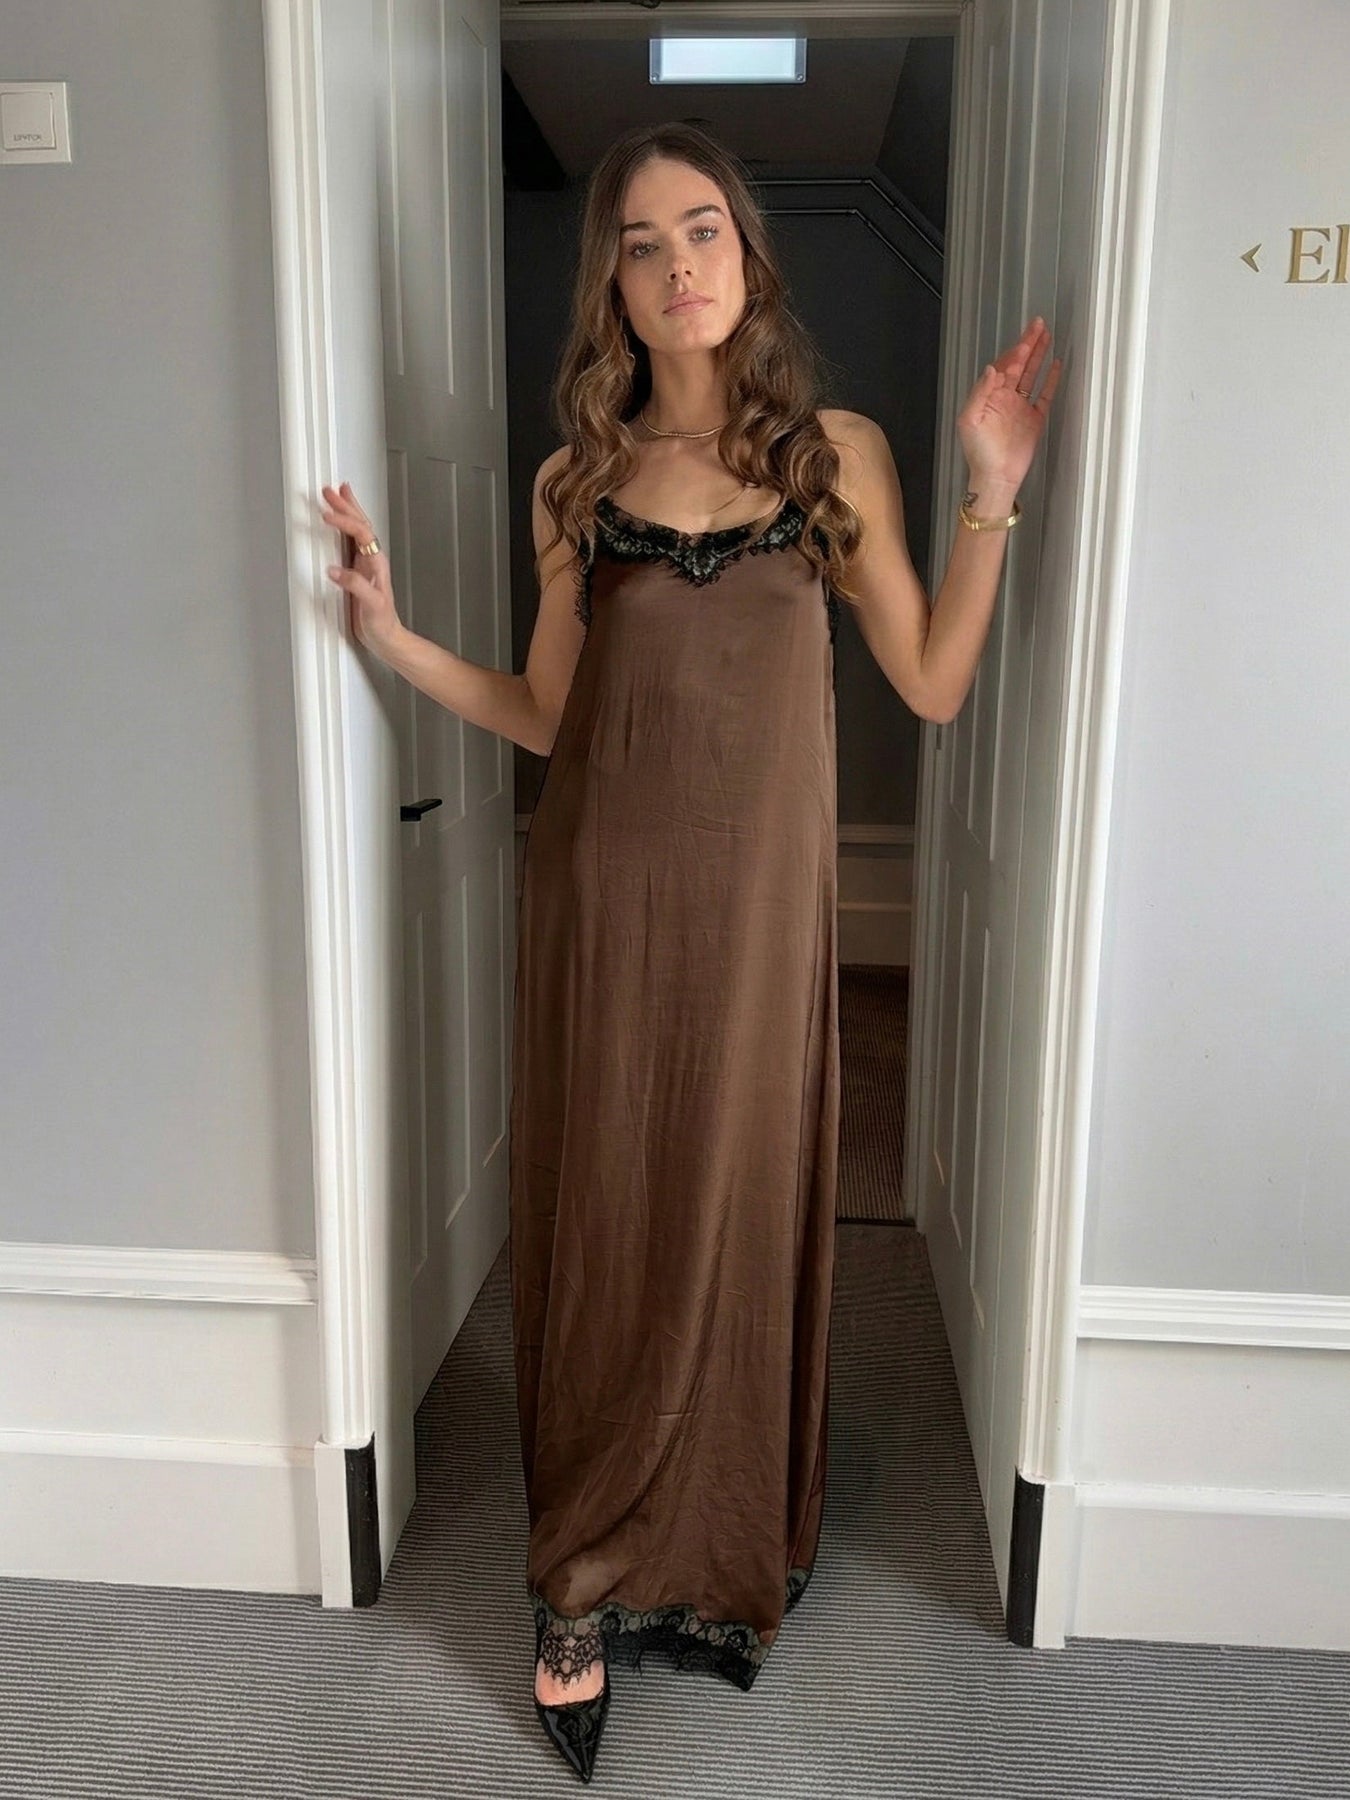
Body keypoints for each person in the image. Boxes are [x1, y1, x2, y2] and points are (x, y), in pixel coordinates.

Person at [320, 120, 1059, 1786]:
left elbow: (932, 682)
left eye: (702, 228)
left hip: (762, 913)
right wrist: (391, 637)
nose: (676, 266)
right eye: (641, 243)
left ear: (747, 251)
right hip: (604, 901)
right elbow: (546, 715)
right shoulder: (574, 482)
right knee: (606, 1216)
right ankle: (576, 1580)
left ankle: (718, 1540)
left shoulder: (834, 454)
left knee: (733, 1204)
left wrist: (991, 494)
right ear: (612, 283)